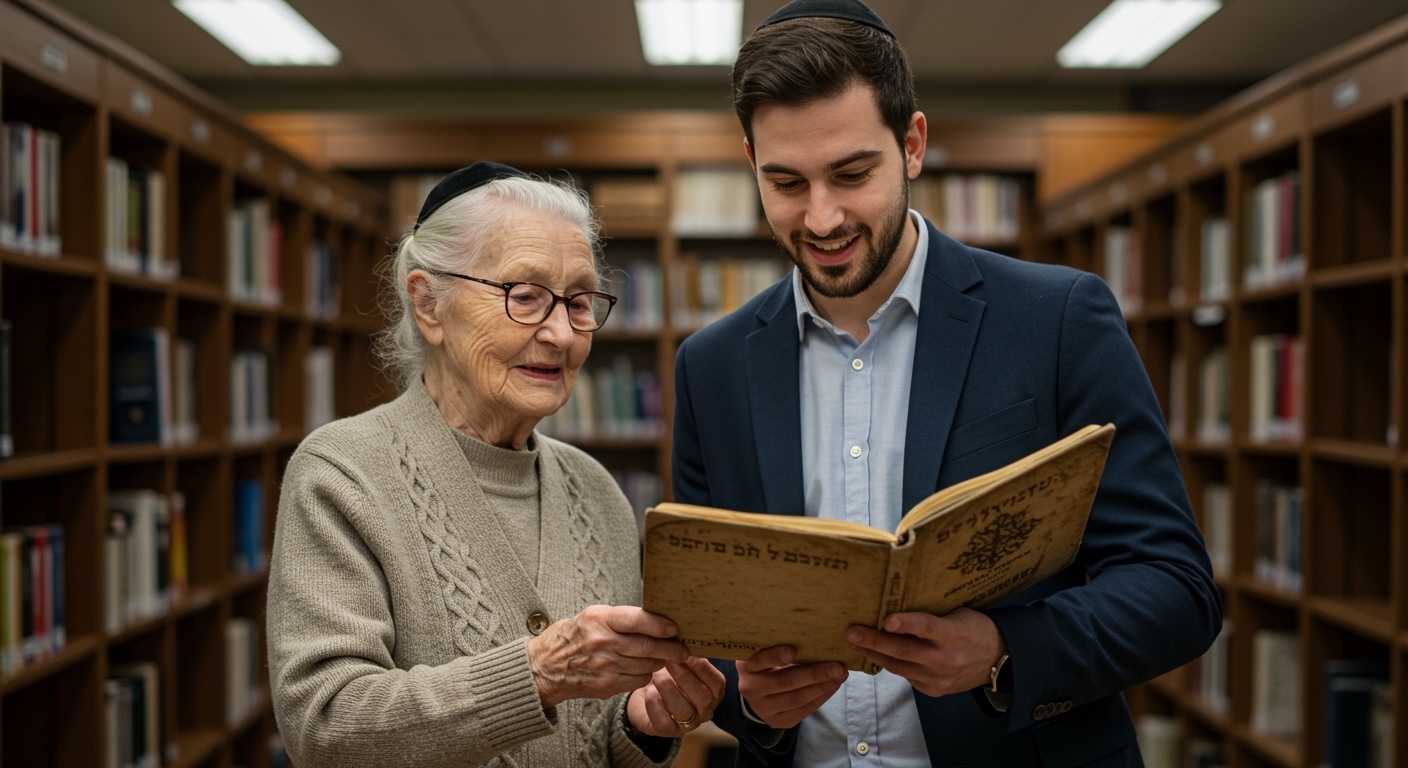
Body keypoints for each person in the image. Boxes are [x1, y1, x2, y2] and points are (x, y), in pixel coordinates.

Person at [670, 1, 1223, 766]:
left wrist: (1003, 649)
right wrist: (747, 697)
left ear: (914, 144)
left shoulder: (1057, 318)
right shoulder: (713, 365)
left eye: (853, 173)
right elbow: (707, 622)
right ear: (751, 165)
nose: (822, 217)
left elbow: (1176, 589)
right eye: (786, 182)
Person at [268, 162, 725, 768]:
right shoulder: (341, 474)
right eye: (526, 297)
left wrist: (643, 727)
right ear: (429, 305)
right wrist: (538, 672)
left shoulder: (597, 491)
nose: (562, 334)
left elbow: (600, 742)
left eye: (580, 302)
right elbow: (323, 725)